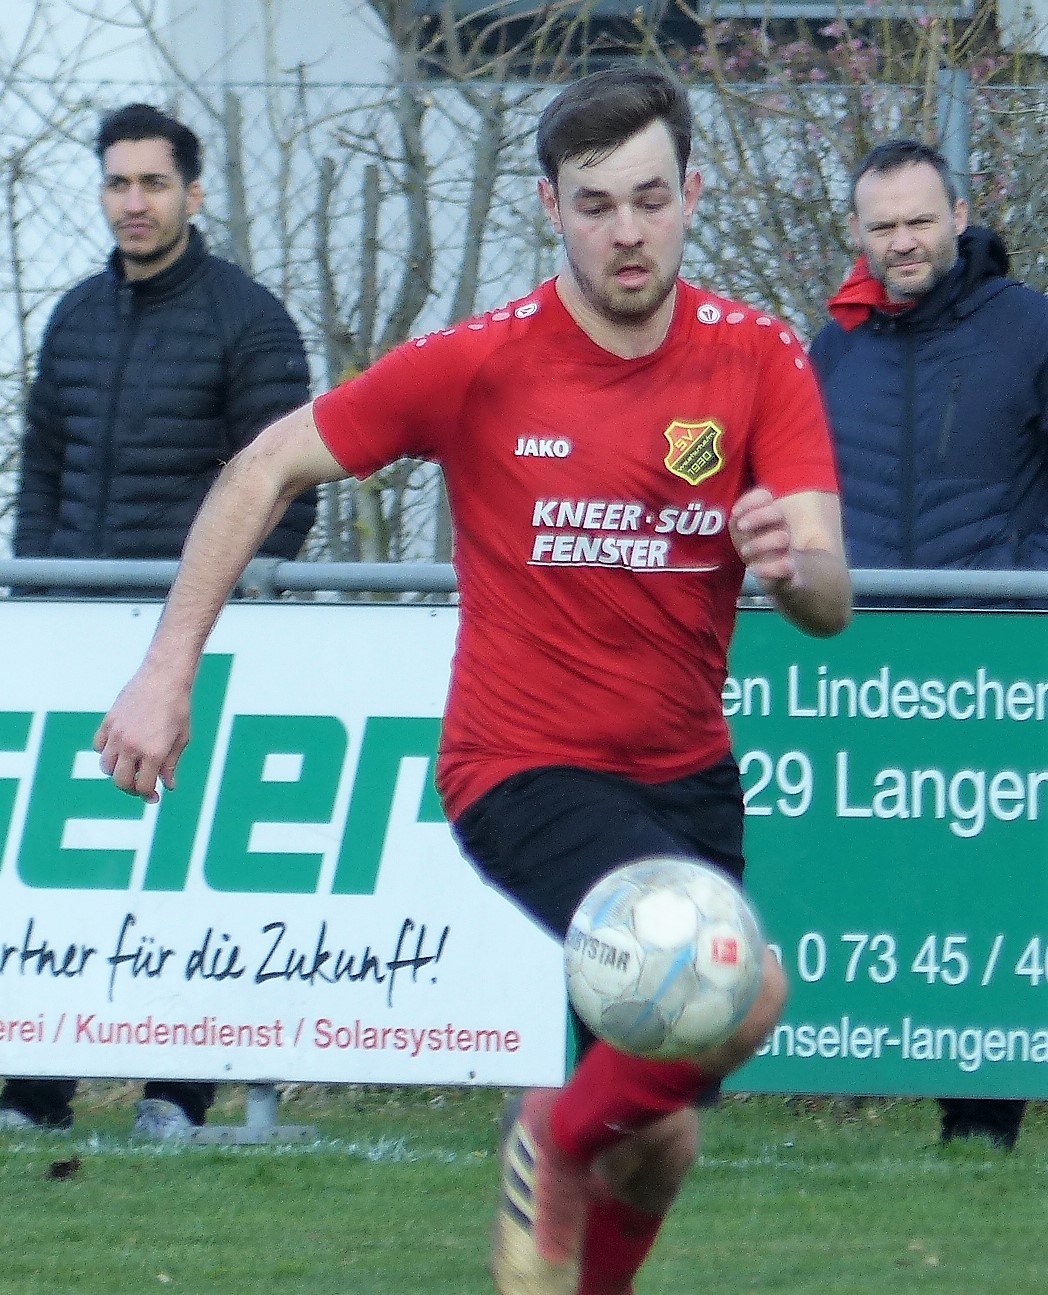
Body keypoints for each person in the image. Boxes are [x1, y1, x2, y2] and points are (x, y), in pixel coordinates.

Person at [92, 67, 850, 1293]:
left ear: (693, 192)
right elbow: (262, 464)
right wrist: (166, 668)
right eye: (594, 204)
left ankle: (577, 1194)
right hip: (521, 767)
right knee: (743, 985)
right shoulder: (480, 363)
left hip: (688, 779)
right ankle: (549, 1134)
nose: (626, 230)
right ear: (549, 206)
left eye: (650, 199)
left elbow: (827, 597)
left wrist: (790, 564)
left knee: (660, 1138)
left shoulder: (757, 356)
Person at [0, 102, 315, 1141]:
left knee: (186, 871)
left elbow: (288, 490)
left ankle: (175, 1093)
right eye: (117, 181)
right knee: (63, 866)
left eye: (152, 182)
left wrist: (216, 622)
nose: (133, 201)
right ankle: (34, 1088)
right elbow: (42, 475)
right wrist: (36, 602)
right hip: (70, 634)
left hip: (187, 647)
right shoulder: (73, 317)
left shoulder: (251, 320)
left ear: (193, 191)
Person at [809, 137, 1048, 1152]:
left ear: (959, 215)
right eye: (882, 226)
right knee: (866, 887)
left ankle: (980, 1125)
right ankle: (823, 1077)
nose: (901, 241)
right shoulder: (831, 350)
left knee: (986, 894)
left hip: (994, 665)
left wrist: (1027, 573)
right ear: (857, 233)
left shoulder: (1030, 328)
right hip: (863, 669)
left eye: (918, 219)